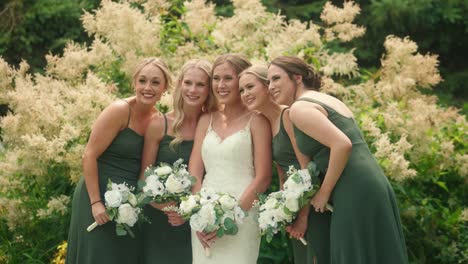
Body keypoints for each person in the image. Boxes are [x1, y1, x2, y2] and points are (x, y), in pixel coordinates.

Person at [268, 55, 409, 263]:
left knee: (353, 254)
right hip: (369, 181)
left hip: (352, 187)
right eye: (269, 81)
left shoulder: (300, 108)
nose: (270, 86)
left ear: (297, 78)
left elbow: (342, 144)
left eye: (276, 79)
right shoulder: (327, 99)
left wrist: (324, 192)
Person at [66, 57, 172, 264]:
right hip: (96, 195)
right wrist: (96, 202)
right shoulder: (120, 110)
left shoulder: (159, 120)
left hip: (130, 205)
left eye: (155, 82)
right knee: (97, 256)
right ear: (134, 83)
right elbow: (89, 155)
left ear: (165, 87)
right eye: (142, 81)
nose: (147, 88)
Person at [239, 64, 331, 264]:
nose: (245, 94)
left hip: (315, 204)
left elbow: (306, 171)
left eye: (250, 87)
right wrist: (283, 212)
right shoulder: (264, 122)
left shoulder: (288, 116)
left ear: (267, 86)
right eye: (242, 90)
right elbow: (283, 176)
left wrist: (303, 218)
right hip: (296, 207)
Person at [189, 54, 272, 263]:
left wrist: (230, 218)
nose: (220, 85)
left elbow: (263, 178)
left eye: (228, 78)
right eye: (216, 79)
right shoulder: (206, 119)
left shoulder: (257, 121)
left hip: (242, 215)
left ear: (241, 80)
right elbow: (195, 173)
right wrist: (200, 216)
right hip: (204, 214)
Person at [139, 59, 217, 264]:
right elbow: (143, 179)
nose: (193, 90)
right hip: (163, 219)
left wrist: (190, 212)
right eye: (188, 83)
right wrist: (169, 208)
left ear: (209, 89)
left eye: (200, 84)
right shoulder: (159, 124)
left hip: (201, 219)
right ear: (180, 84)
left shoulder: (213, 125)